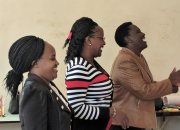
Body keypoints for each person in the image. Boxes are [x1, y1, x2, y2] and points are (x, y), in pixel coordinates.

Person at [110, 22, 180, 130]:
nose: (143, 34)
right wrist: (169, 82)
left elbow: (147, 85)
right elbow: (143, 91)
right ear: (128, 39)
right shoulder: (125, 60)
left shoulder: (137, 57)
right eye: (138, 32)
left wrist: (171, 85)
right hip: (127, 123)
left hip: (137, 122)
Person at [63, 17, 129, 130]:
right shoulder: (79, 67)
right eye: (101, 38)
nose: (104, 42)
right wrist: (112, 112)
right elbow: (77, 109)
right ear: (88, 40)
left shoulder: (90, 64)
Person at [4, 36, 74, 130]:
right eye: (52, 59)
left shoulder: (47, 85)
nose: (57, 63)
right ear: (35, 63)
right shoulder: (34, 91)